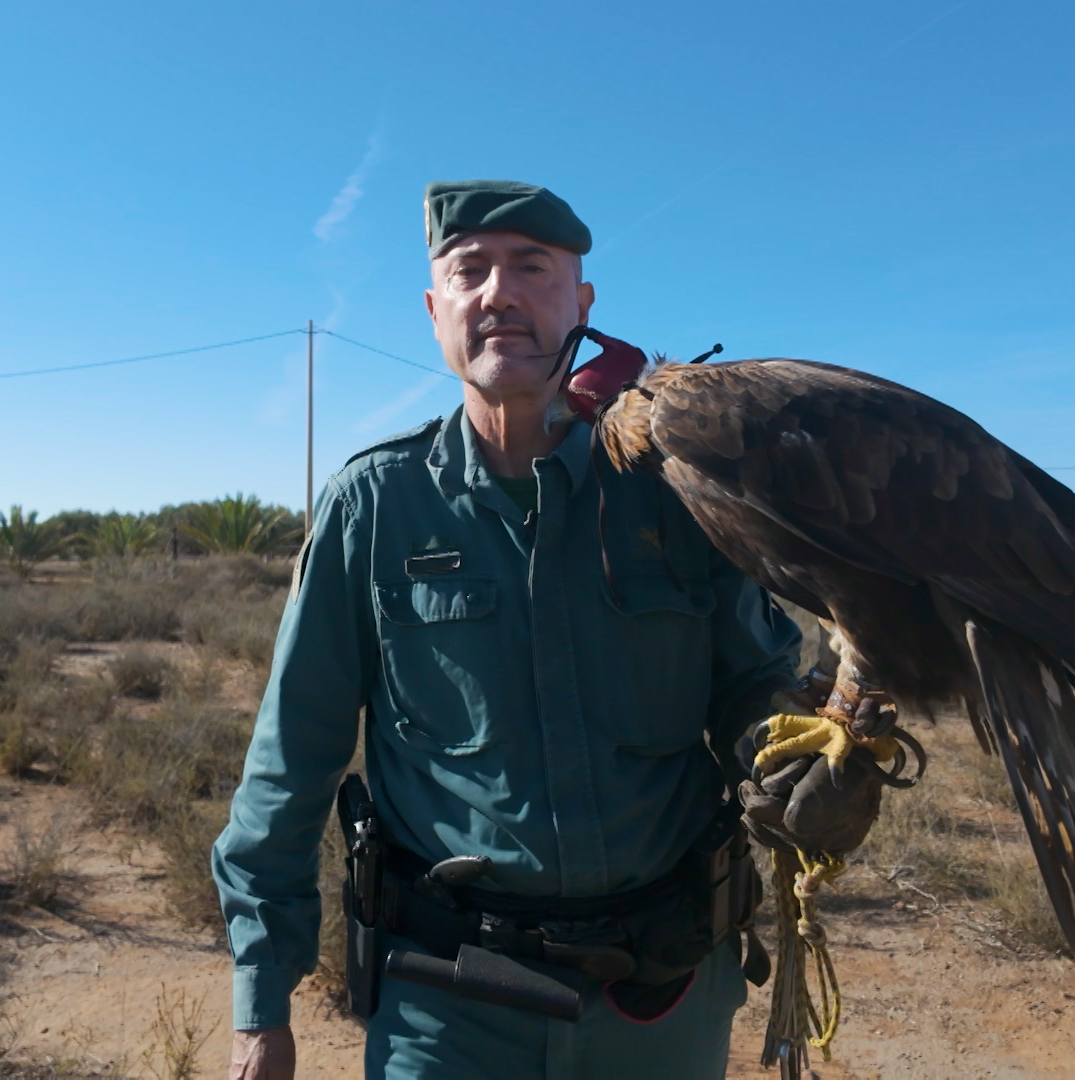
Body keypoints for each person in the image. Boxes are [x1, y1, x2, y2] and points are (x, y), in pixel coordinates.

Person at [212, 179, 803, 1079]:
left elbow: (754, 688)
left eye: (532, 268)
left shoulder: (678, 490)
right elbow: (292, 758)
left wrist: (795, 759)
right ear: (434, 308)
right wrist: (262, 1004)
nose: (498, 294)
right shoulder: (376, 507)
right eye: (469, 271)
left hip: (663, 1001)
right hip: (449, 1005)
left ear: (582, 301)